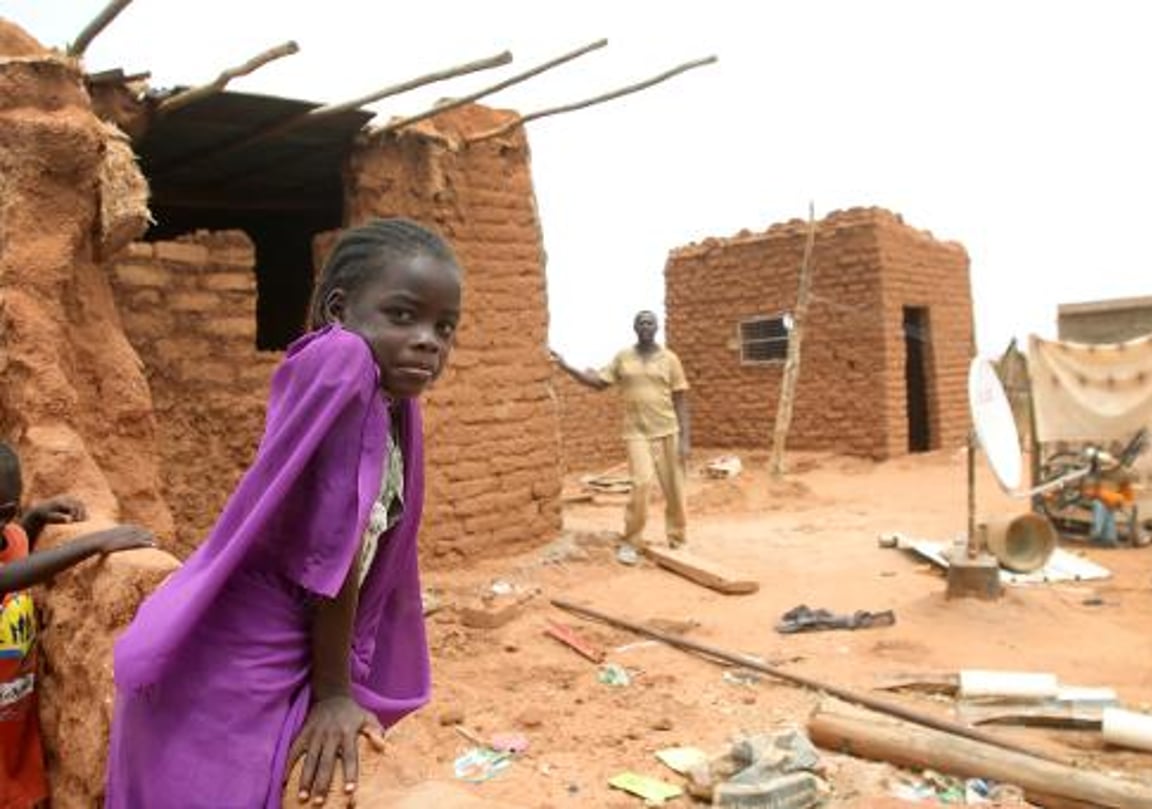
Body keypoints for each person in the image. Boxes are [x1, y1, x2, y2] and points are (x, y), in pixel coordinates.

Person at [105, 218, 463, 809]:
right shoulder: (345, 361)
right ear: (340, 310)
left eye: (444, 328)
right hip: (243, 651)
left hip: (284, 636)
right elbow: (335, 547)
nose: (429, 340)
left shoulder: (394, 402)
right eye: (402, 316)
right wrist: (332, 696)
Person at [0, 443, 153, 809]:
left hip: (14, 734)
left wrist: (33, 521)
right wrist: (93, 543)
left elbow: (14, 549)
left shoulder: (14, 539)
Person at [552, 310, 691, 564]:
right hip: (636, 432)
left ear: (657, 327)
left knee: (675, 489)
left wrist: (685, 440)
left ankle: (677, 538)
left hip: (668, 430)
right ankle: (631, 541)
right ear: (635, 328)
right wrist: (566, 366)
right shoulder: (623, 358)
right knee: (641, 484)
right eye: (641, 322)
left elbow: (681, 398)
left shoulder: (670, 359)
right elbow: (598, 383)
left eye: (650, 322)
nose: (646, 326)